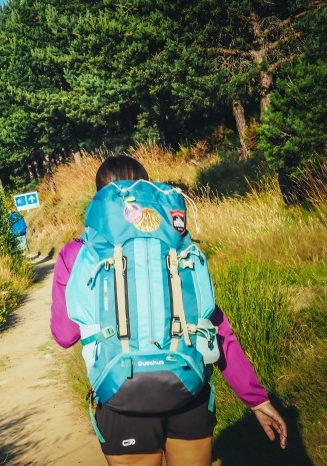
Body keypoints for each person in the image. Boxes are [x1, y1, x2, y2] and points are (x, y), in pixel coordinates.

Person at [50, 154, 287, 466]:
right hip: (188, 389)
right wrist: (255, 398)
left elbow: (65, 335)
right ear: (149, 191)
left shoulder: (77, 253)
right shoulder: (177, 246)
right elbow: (215, 325)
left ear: (99, 199)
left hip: (120, 397)